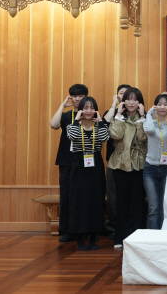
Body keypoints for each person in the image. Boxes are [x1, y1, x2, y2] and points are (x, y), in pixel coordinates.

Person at [66, 96, 110, 250]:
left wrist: (100, 122)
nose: (89, 111)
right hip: (79, 165)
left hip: (95, 165)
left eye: (92, 108)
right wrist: (76, 120)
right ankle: (79, 238)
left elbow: (105, 138)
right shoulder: (73, 126)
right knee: (78, 201)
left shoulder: (99, 126)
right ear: (80, 110)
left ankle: (93, 238)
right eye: (85, 108)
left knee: (95, 201)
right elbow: (72, 136)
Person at [108, 87, 148, 249]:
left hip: (139, 163)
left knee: (138, 202)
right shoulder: (118, 117)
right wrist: (118, 113)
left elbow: (142, 137)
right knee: (121, 202)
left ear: (140, 103)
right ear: (123, 101)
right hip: (120, 163)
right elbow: (115, 135)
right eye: (128, 99)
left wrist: (142, 117)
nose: (131, 102)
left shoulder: (145, 118)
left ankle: (139, 236)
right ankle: (120, 237)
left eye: (135, 99)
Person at [49, 83, 88, 242]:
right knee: (66, 196)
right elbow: (53, 124)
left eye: (80, 96)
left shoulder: (89, 114)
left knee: (83, 196)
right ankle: (67, 230)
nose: (77, 99)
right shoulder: (66, 116)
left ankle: (84, 229)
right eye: (74, 96)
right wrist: (62, 106)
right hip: (66, 160)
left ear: (86, 97)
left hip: (85, 160)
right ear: (70, 98)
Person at [142, 94, 167, 230]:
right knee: (153, 208)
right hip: (150, 169)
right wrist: (149, 113)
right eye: (159, 104)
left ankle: (165, 236)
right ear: (155, 106)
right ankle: (153, 238)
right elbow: (149, 130)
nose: (162, 107)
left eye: (165, 104)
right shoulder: (150, 123)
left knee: (166, 206)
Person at [102, 83, 131, 239]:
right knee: (113, 197)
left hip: (131, 161)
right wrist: (115, 104)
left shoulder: (136, 112)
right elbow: (104, 123)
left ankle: (129, 227)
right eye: (121, 93)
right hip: (113, 160)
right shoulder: (111, 112)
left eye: (127, 93)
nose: (124, 96)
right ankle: (112, 229)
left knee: (129, 196)